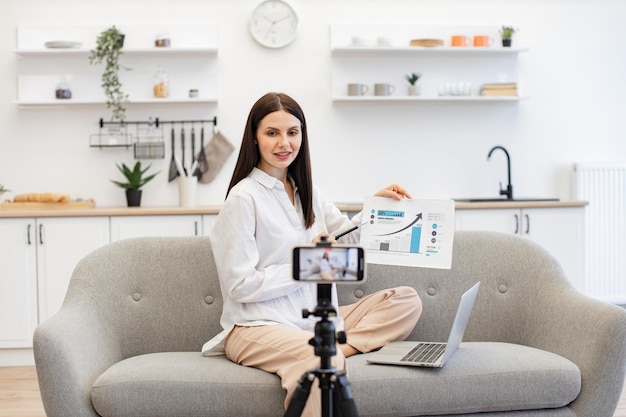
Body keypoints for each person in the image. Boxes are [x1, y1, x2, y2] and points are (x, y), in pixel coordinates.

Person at [203, 92, 422, 417]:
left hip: (313, 321)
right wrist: (308, 263)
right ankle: (331, 352)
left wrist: (375, 210)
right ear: (255, 137)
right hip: (257, 327)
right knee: (324, 363)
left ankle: (334, 346)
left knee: (406, 300)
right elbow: (240, 285)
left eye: (292, 132)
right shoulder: (244, 198)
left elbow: (344, 237)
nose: (284, 143)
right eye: (272, 133)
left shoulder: (307, 191)